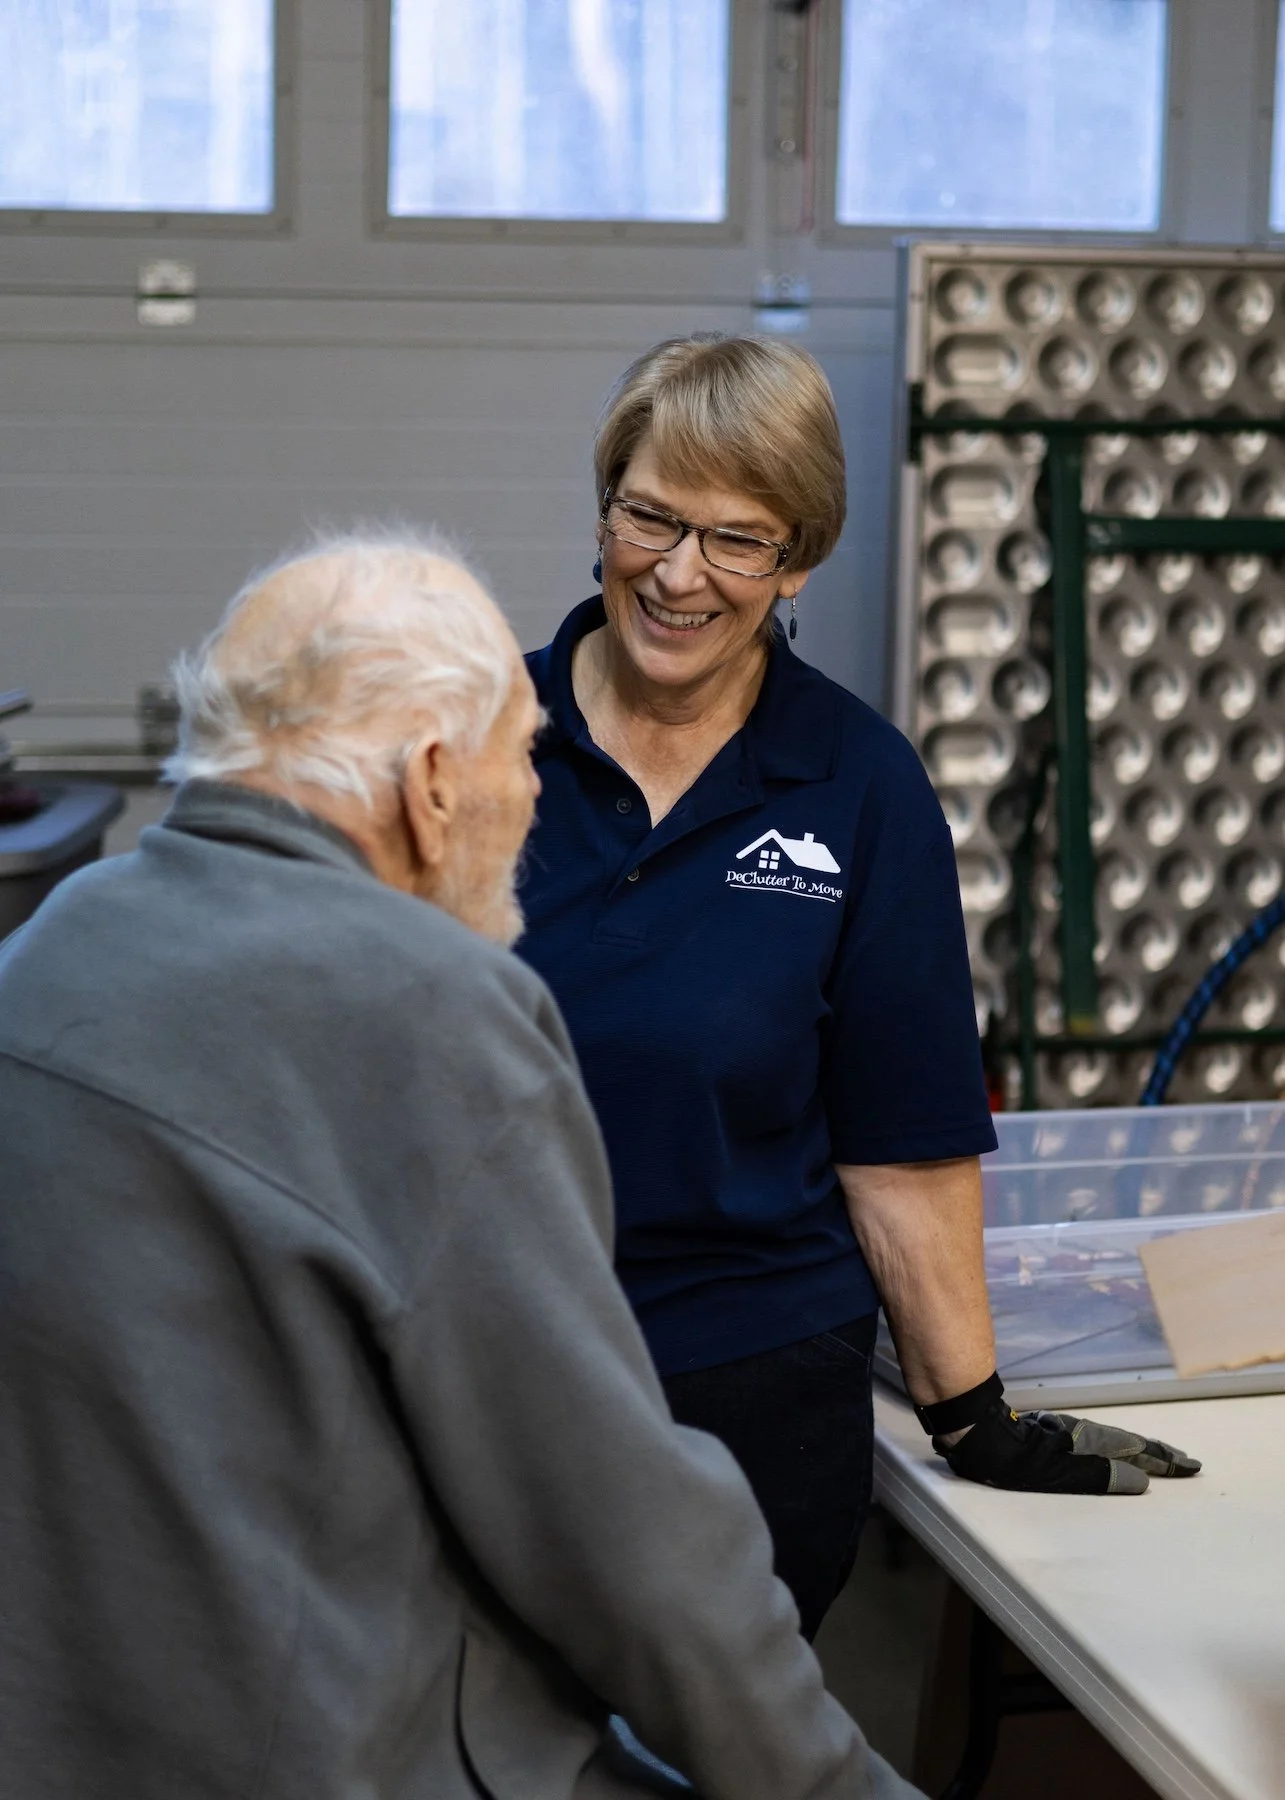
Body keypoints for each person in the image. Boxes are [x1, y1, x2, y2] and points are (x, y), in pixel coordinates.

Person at [0, 534, 925, 1800]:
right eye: (522, 772)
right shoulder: (435, 1014)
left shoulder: (46, 955)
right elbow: (626, 1548)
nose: (533, 813)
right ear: (433, 783)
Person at [517, 336, 1201, 1641]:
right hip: (480, 1357)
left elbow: (902, 1136)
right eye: (649, 516)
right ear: (603, 505)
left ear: (800, 560)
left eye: (736, 540)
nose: (676, 573)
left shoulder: (859, 787)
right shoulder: (474, 733)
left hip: (742, 1391)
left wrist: (970, 1412)